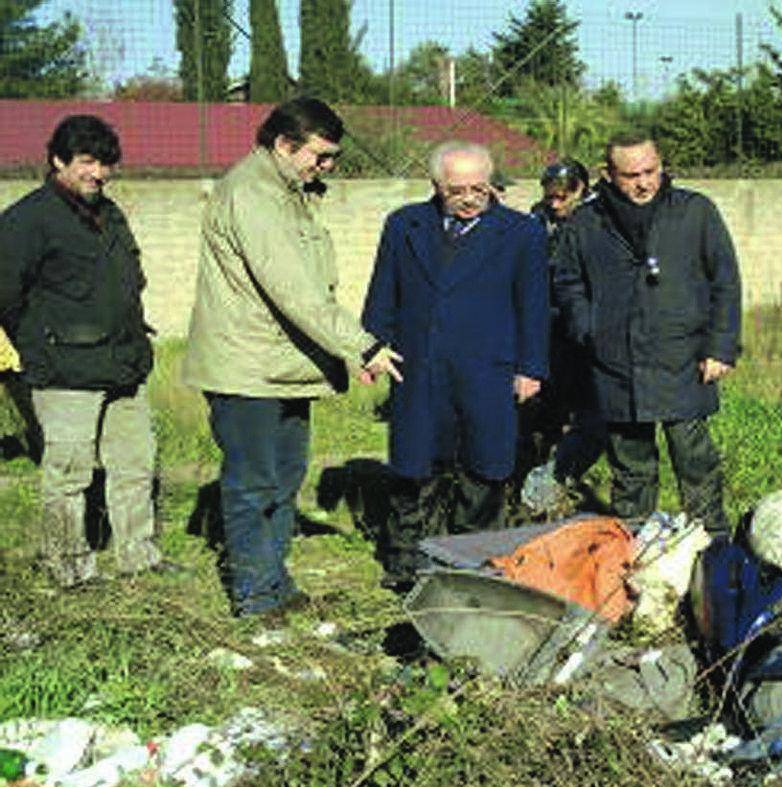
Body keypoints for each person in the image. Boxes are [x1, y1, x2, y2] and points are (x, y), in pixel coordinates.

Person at [182, 97, 398, 617]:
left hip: (283, 366)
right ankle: (255, 594)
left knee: (284, 478)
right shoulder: (254, 195)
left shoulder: (287, 191)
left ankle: (274, 581)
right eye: (320, 156)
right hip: (248, 368)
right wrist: (362, 345)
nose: (327, 168)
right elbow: (295, 291)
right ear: (284, 144)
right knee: (253, 481)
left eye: (332, 158)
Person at [362, 140, 549, 590]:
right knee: (414, 465)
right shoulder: (405, 225)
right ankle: (407, 563)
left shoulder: (521, 232)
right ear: (436, 186)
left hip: (488, 367)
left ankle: (473, 563)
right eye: (457, 190)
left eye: (478, 189)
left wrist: (531, 368)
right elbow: (384, 291)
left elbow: (534, 305)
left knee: (484, 466)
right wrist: (370, 347)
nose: (468, 198)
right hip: (419, 365)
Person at [0, 115, 167, 587]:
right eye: (87, 162)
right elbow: (5, 297)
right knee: (68, 474)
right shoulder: (26, 220)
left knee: (135, 466)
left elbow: (128, 282)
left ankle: (139, 555)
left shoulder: (110, 214)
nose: (98, 173)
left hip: (124, 364)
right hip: (64, 372)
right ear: (58, 161)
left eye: (105, 163)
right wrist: (39, 348)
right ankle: (69, 566)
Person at [554, 133, 740, 534]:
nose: (644, 183)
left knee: (695, 461)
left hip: (683, 359)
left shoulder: (695, 211)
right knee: (630, 465)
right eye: (631, 175)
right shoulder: (586, 222)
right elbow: (568, 281)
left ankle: (711, 544)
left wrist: (721, 347)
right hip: (616, 363)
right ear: (608, 174)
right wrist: (588, 329)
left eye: (651, 171)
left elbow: (725, 280)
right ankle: (633, 546)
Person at [524, 158, 606, 488]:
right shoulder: (539, 219)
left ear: (580, 189)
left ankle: (566, 474)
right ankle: (537, 478)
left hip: (586, 325)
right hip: (548, 326)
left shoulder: (597, 219)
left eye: (563, 196)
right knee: (545, 410)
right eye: (550, 196)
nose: (555, 203)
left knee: (590, 413)